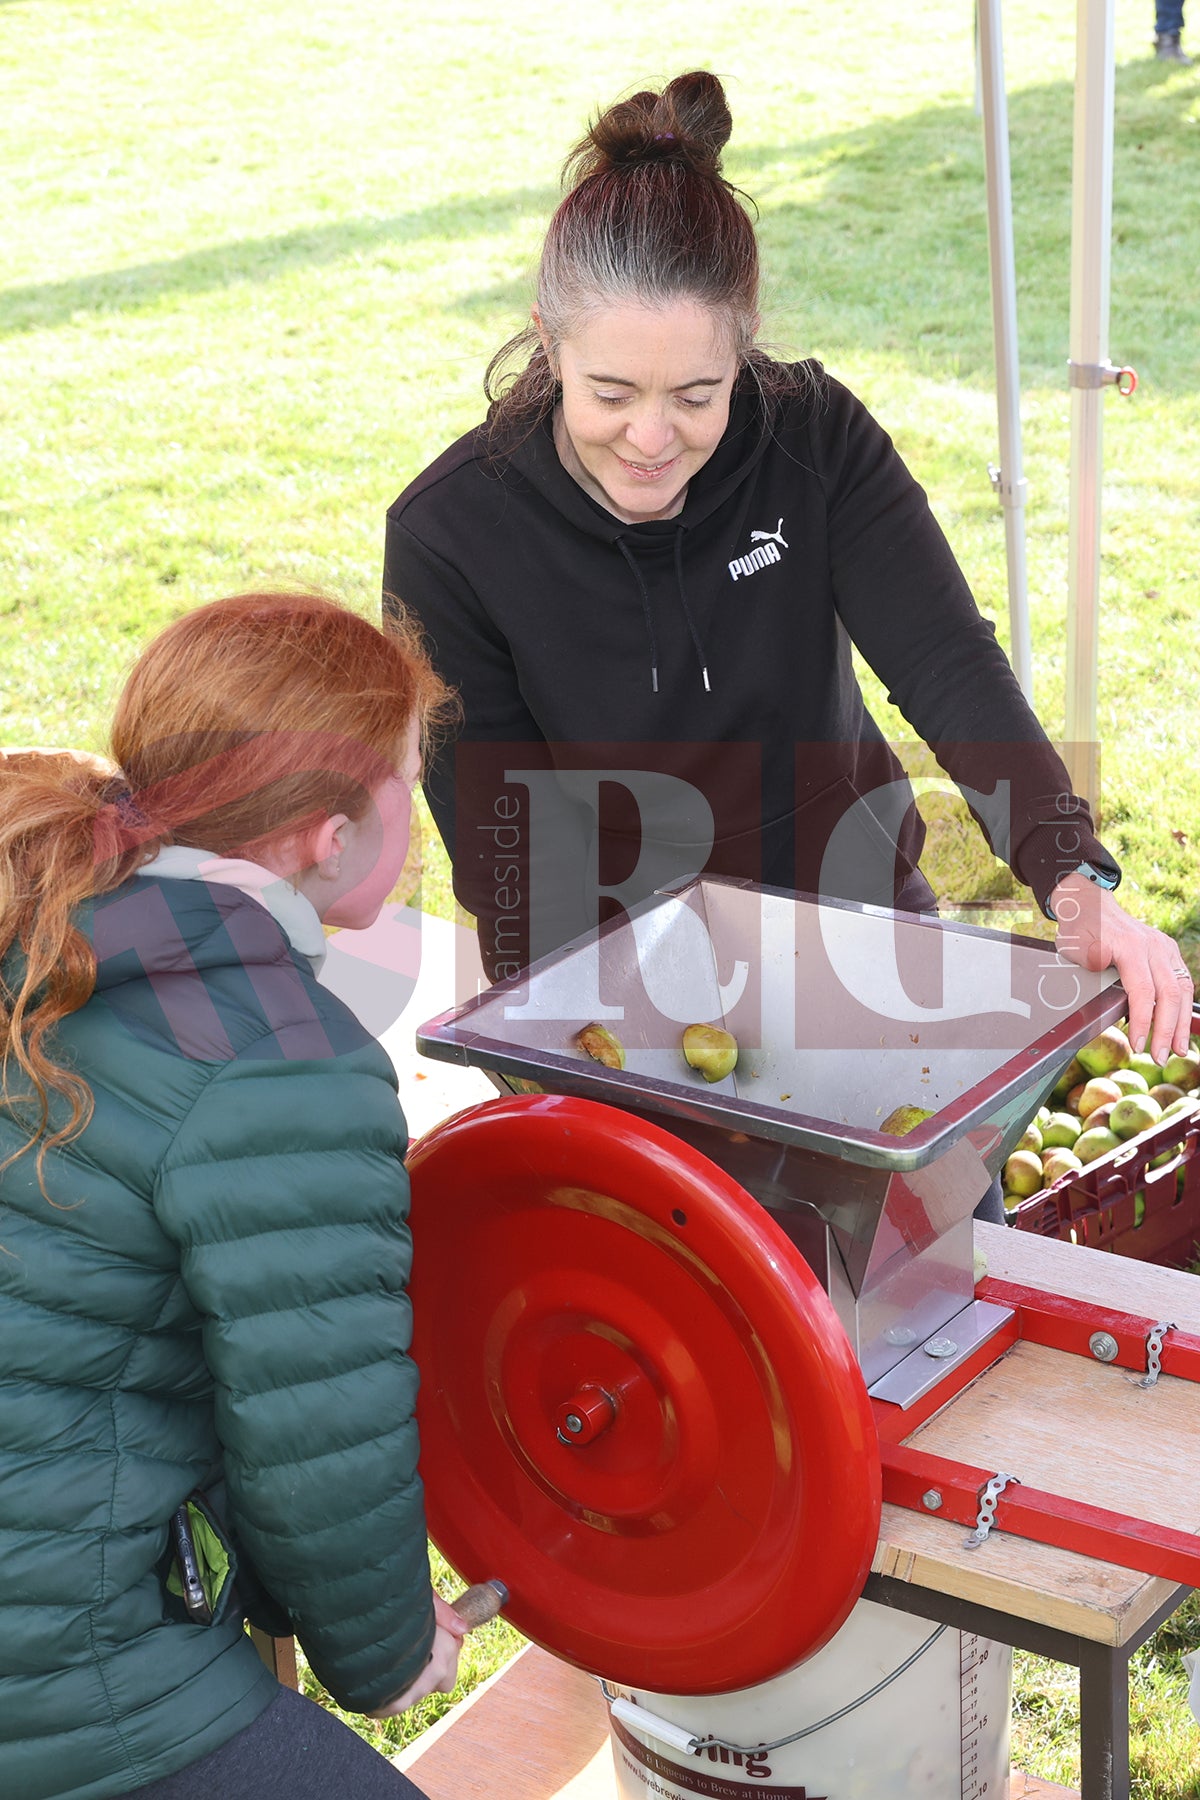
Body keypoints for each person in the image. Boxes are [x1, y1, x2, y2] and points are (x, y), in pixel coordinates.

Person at [383, 69, 1193, 1074]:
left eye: (695, 394)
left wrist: (1073, 880)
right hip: (620, 988)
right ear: (548, 344)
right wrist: (594, 1049)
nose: (650, 437)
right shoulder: (449, 533)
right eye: (609, 392)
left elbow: (946, 659)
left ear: (745, 352)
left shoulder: (812, 436)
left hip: (862, 936)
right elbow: (503, 845)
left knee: (934, 1225)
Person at [0, 591, 465, 1800]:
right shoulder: (280, 1059)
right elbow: (317, 1428)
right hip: (54, 1673)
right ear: (329, 834)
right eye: (409, 780)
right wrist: (388, 1651)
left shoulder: (42, 915)